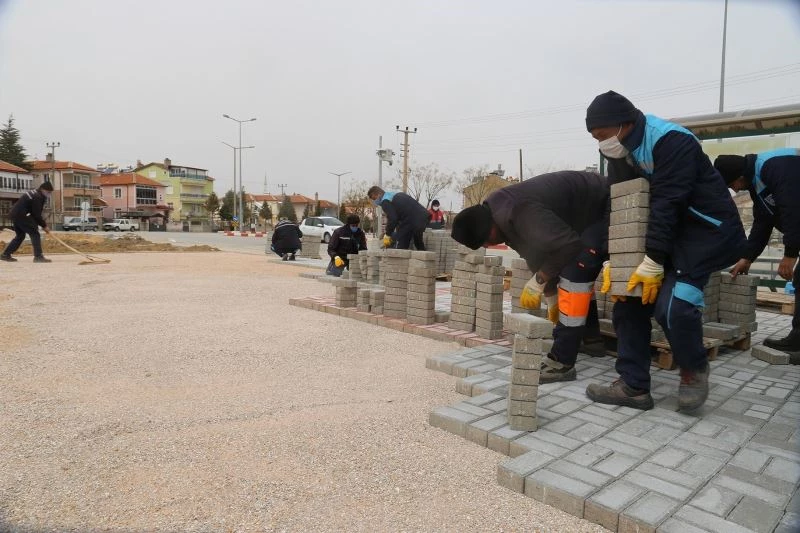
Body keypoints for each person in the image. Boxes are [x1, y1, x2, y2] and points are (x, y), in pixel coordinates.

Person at [584, 90, 746, 411]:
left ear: (624, 123)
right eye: (595, 139)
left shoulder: (672, 140)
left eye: (602, 135)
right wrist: (614, 259)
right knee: (627, 301)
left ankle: (693, 371)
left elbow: (668, 201)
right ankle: (633, 387)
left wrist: (654, 260)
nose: (601, 144)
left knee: (675, 307)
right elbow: (621, 206)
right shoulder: (620, 152)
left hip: (703, 234)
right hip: (665, 235)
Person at [451, 171, 609, 383]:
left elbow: (569, 245)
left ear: (489, 228)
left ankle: (561, 361)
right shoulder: (501, 217)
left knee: (576, 272)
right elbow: (535, 254)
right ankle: (591, 340)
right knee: (572, 273)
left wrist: (540, 280)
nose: (488, 245)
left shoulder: (518, 211)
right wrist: (551, 296)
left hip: (603, 205)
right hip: (581, 216)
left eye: (485, 241)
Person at [714, 149, 800, 354]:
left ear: (740, 178)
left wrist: (790, 254)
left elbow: (793, 209)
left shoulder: (774, 166)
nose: (734, 190)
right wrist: (747, 257)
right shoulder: (757, 181)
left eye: (731, 185)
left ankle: (797, 342)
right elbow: (763, 221)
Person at [1, 181, 54, 263]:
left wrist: (40, 224)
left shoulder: (34, 193)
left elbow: (34, 212)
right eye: (48, 192)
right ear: (42, 189)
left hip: (15, 215)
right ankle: (38, 257)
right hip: (23, 216)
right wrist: (44, 226)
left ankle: (5, 255)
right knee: (35, 234)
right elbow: (36, 214)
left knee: (20, 236)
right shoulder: (38, 197)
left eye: (50, 192)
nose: (49, 194)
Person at [367, 185, 429, 250]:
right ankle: (424, 254)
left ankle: (400, 254)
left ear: (379, 194)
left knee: (402, 244)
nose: (375, 201)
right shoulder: (395, 194)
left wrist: (387, 234)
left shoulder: (385, 201)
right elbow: (400, 216)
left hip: (412, 220)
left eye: (374, 198)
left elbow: (393, 219)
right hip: (423, 216)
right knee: (418, 242)